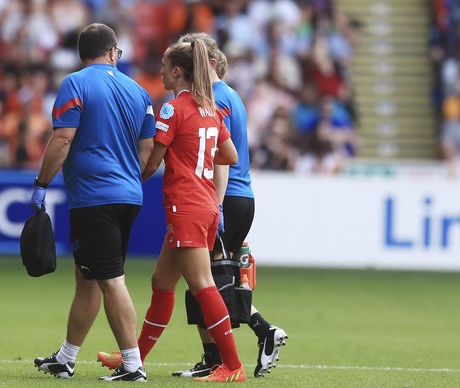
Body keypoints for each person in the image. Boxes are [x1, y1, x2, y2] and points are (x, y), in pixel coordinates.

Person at [98, 32, 288, 379]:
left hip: (185, 203)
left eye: (165, 68)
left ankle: (232, 365)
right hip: (204, 203)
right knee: (162, 281)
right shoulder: (210, 107)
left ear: (179, 72)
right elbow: (229, 155)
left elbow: (152, 164)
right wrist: (195, 150)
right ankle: (133, 358)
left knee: (203, 285)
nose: (160, 73)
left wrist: (125, 181)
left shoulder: (173, 108)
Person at [30, 23, 155, 382]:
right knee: (89, 276)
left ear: (82, 53)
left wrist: (41, 183)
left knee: (111, 279)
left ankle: (132, 365)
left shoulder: (76, 83)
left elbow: (62, 139)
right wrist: (129, 180)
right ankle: (66, 357)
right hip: (129, 196)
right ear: (113, 52)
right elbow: (148, 151)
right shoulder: (139, 91)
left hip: (93, 198)